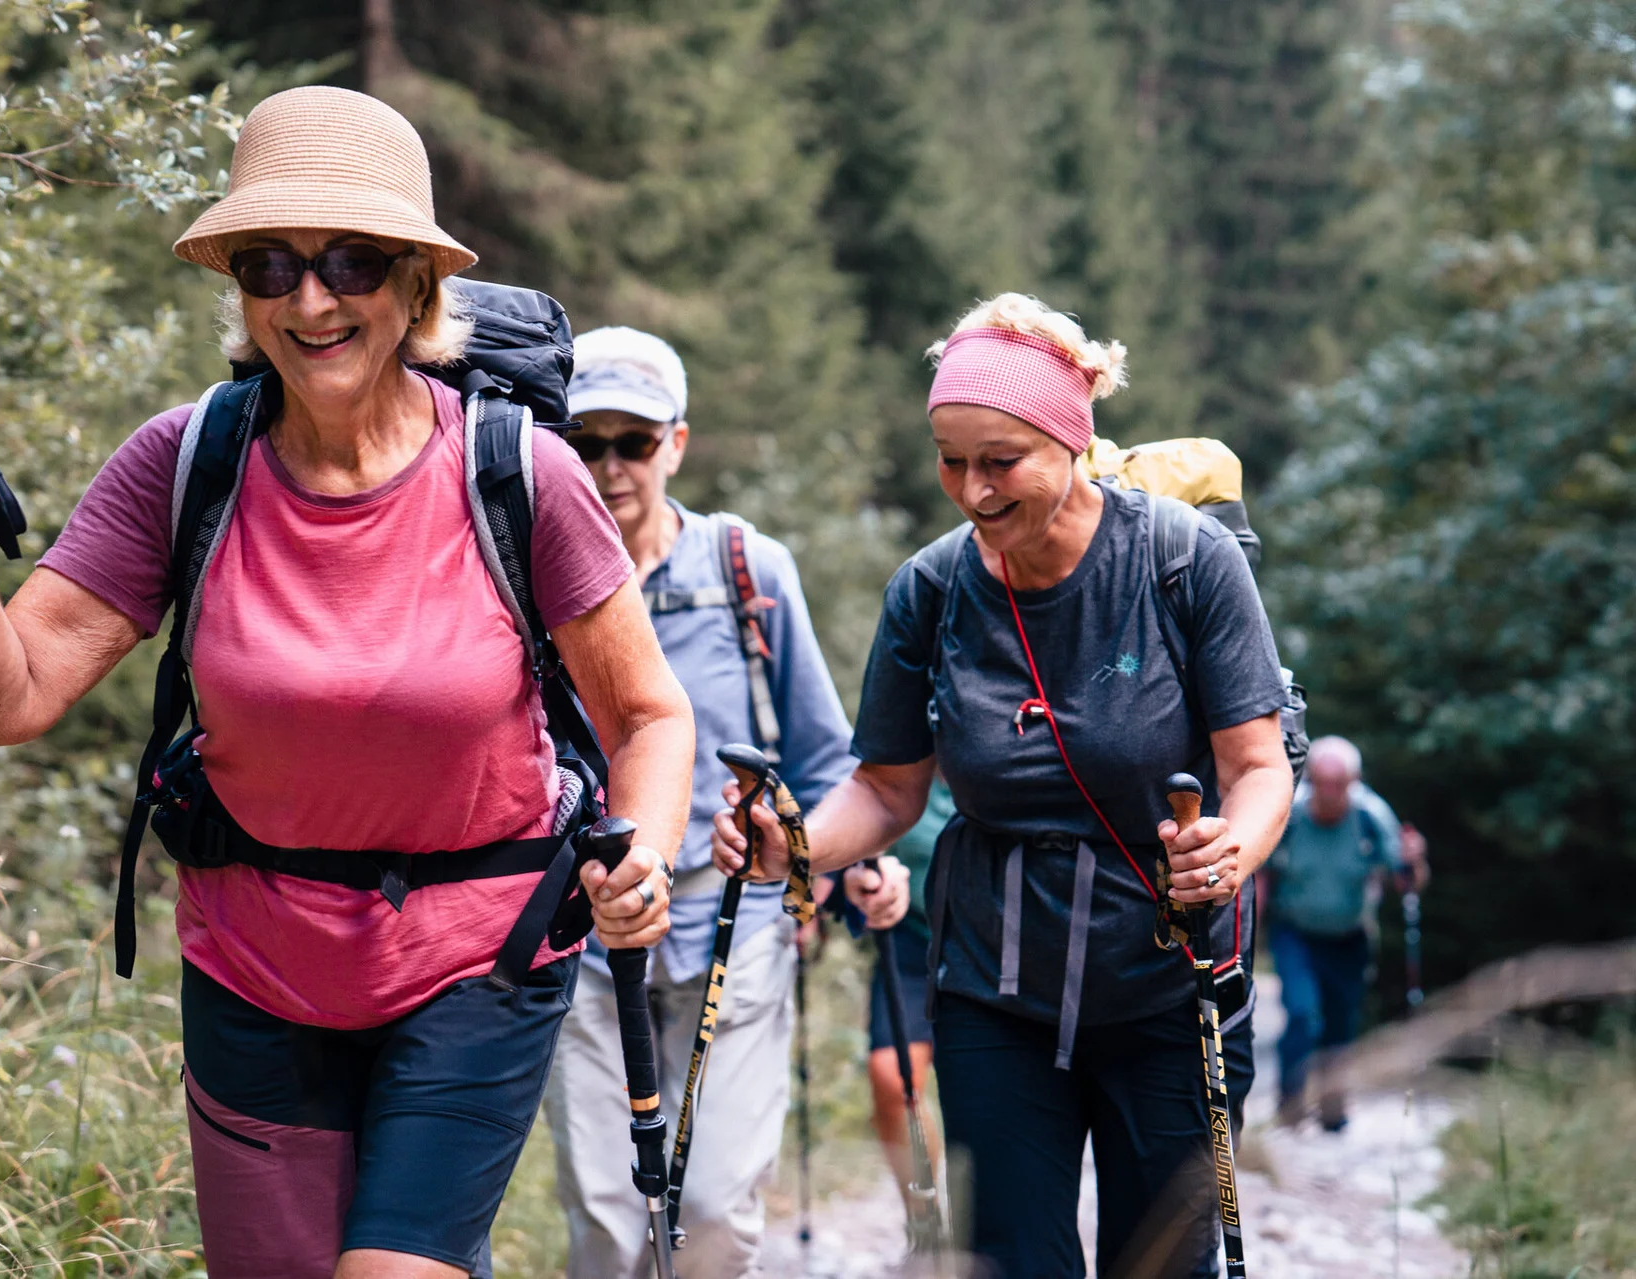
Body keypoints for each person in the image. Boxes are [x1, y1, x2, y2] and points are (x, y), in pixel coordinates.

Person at [0, 86, 695, 1279]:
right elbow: (11, 702)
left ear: (417, 285)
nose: (311, 301)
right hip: (255, 965)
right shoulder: (185, 463)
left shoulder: (518, 473)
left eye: (351, 262)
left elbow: (649, 714)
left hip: (479, 956)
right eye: (272, 265)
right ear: (241, 289)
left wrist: (646, 860)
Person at [712, 293, 1295, 1279]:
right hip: (993, 985)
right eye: (951, 460)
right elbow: (888, 790)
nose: (972, 489)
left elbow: (1257, 766)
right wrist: (793, 845)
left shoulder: (1182, 563)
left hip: (1169, 978)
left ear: (1070, 441)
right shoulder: (931, 590)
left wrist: (1231, 846)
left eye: (1000, 460)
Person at [540, 325, 907, 1278]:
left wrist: (850, 864)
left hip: (732, 926)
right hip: (578, 933)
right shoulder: (530, 576)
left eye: (634, 441)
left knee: (710, 1214)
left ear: (677, 443)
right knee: (606, 1218)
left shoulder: (747, 570)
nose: (610, 467)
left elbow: (825, 757)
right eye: (587, 442)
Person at [1265, 734, 1429, 1131]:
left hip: (1350, 936)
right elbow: (1261, 872)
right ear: (1311, 780)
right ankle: (1290, 1106)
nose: (1330, 793)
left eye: (1338, 784)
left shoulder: (1372, 817)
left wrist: (1415, 860)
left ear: (1354, 783)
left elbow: (1407, 882)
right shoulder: (1290, 814)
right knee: (1302, 1013)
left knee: (1340, 1022)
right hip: (1295, 932)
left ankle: (1333, 1107)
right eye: (1321, 782)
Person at [843, 779, 953, 1218]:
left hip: (987, 937)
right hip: (911, 941)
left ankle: (987, 1224)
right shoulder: (898, 764)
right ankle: (923, 1218)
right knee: (892, 1077)